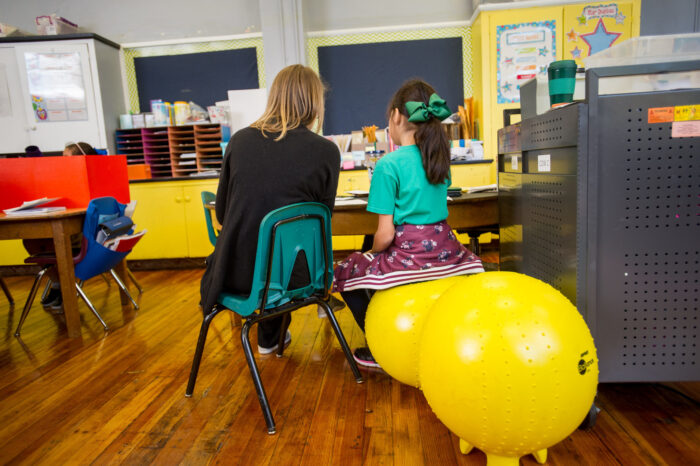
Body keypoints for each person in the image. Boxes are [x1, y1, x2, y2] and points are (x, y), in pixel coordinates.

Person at [333, 79, 485, 367]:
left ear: (396, 116)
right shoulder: (439, 158)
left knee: (348, 274)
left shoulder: (388, 165)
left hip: (410, 255)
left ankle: (379, 346)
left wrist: (372, 254)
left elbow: (385, 235)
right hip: (448, 252)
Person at [199, 64, 342, 354]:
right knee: (289, 250)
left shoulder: (239, 141)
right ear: (315, 102)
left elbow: (223, 214)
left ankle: (268, 337)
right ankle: (271, 334)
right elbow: (321, 224)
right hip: (300, 277)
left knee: (262, 251)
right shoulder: (326, 151)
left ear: (275, 97)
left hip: (237, 273)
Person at [27, 141, 97, 310]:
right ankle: (60, 283)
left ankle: (62, 286)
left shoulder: (87, 182)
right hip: (66, 233)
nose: (61, 161)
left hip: (82, 239)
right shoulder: (60, 179)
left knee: (57, 243)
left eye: (66, 158)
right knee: (30, 241)